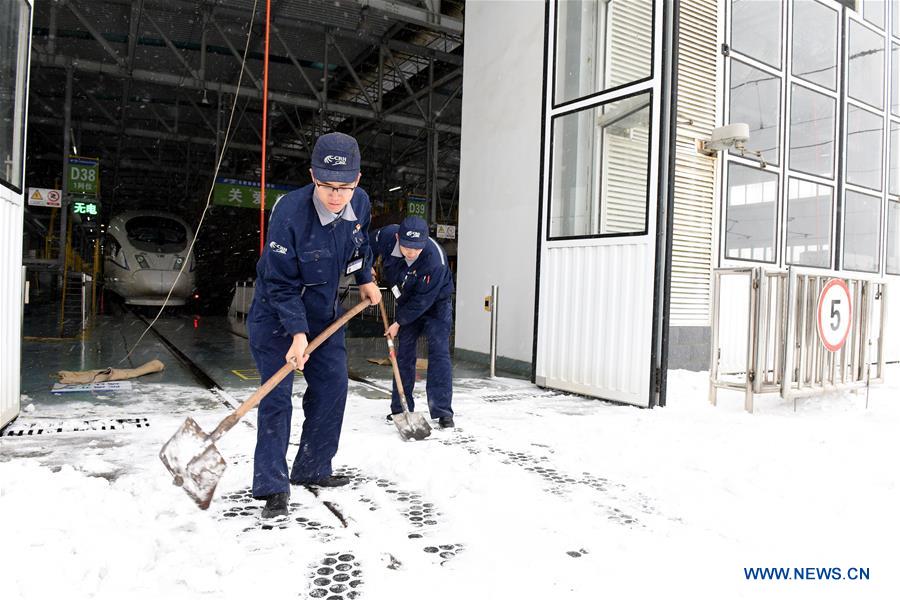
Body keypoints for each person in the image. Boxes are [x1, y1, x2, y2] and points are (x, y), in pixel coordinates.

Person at [247, 132, 382, 518]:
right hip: (277, 315)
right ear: (312, 176)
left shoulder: (361, 202)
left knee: (333, 386)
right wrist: (297, 333)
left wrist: (366, 279)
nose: (336, 195)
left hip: (325, 312)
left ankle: (312, 467)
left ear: (357, 179)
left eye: (344, 186)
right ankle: (272, 485)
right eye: (326, 186)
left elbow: (359, 245)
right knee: (276, 397)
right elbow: (279, 282)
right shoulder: (289, 213)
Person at [369, 216, 455, 429]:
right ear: (398, 237)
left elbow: (422, 301)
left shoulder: (435, 260)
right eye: (406, 246)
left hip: (436, 302)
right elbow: (365, 244)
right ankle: (401, 408)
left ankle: (442, 410)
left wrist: (398, 322)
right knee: (405, 353)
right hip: (407, 299)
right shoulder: (387, 236)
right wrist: (366, 269)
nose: (410, 253)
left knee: (439, 352)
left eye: (416, 248)